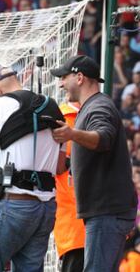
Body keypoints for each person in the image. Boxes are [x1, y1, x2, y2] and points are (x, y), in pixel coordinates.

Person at [0, 66, 66, 271]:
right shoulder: (53, 108)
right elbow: (58, 167)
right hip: (45, 209)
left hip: (13, 203)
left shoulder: (1, 104)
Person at [51, 55, 138, 272]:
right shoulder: (91, 107)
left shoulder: (99, 106)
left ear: (79, 77)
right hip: (106, 212)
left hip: (106, 213)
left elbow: (104, 137)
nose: (61, 83)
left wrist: (71, 133)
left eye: (64, 77)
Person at [53, 101, 85, 272]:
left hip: (97, 226)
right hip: (74, 226)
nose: (61, 83)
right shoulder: (62, 119)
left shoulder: (102, 115)